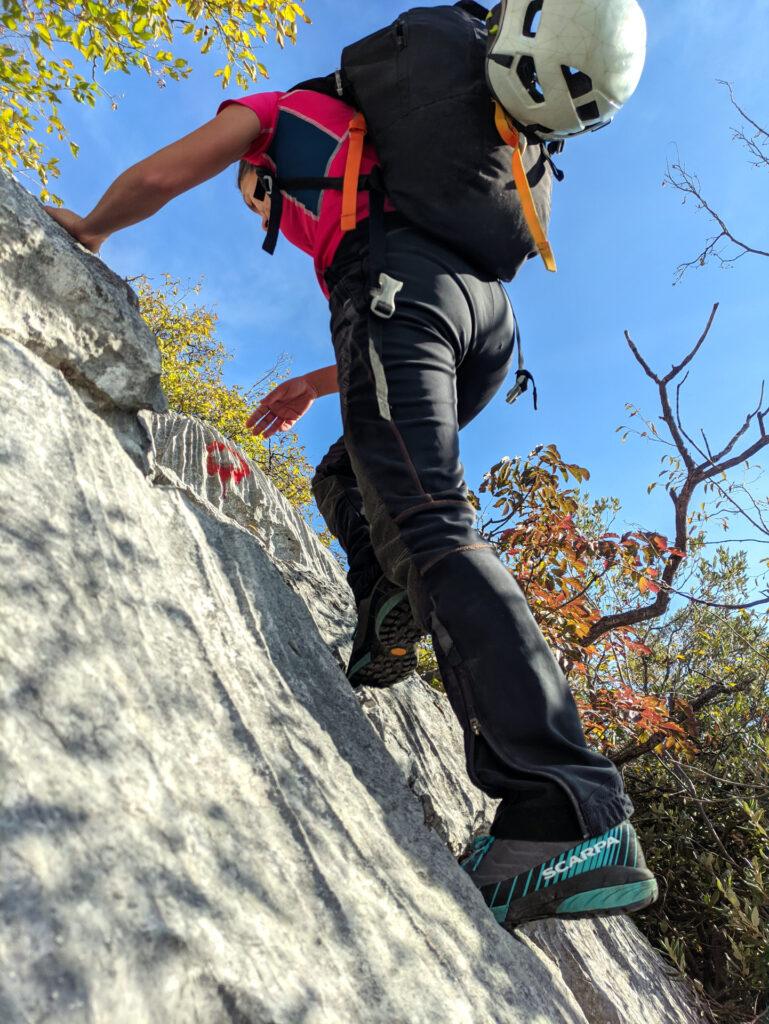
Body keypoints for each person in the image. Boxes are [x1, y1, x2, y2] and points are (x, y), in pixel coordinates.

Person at [45, 0, 656, 931]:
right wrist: (316, 381)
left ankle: (562, 807)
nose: (255, 205)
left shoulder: (282, 112)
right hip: (481, 322)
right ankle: (385, 618)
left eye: (251, 194)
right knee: (351, 476)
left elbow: (163, 174)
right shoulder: (422, 151)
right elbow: (423, 310)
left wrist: (89, 228)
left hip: (403, 288)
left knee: (429, 519)